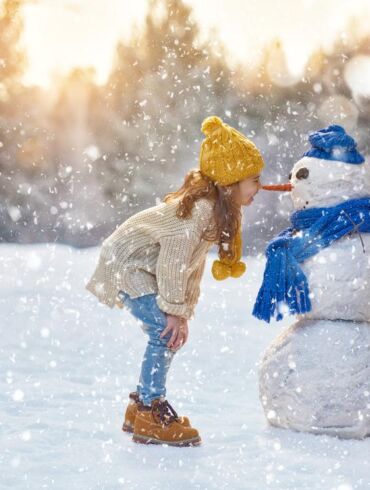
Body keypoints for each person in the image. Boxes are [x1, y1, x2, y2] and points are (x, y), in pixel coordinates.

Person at [85, 115, 265, 446]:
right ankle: (151, 412)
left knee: (169, 332)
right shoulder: (200, 211)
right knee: (163, 333)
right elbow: (172, 262)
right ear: (230, 182)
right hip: (128, 264)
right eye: (254, 180)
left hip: (143, 267)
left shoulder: (214, 212)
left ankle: (139, 408)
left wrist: (183, 310)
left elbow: (190, 267)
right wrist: (173, 311)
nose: (260, 186)